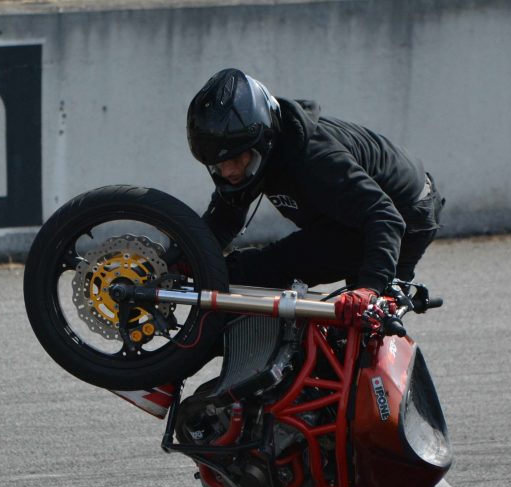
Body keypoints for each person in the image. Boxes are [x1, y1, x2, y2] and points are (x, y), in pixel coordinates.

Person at [186, 67, 444, 325]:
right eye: (218, 164)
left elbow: (385, 217)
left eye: (234, 158)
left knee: (364, 318)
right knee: (251, 271)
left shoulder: (316, 160)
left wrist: (370, 288)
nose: (229, 171)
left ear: (262, 139)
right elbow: (222, 221)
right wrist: (182, 258)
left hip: (405, 212)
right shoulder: (252, 157)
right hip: (347, 216)